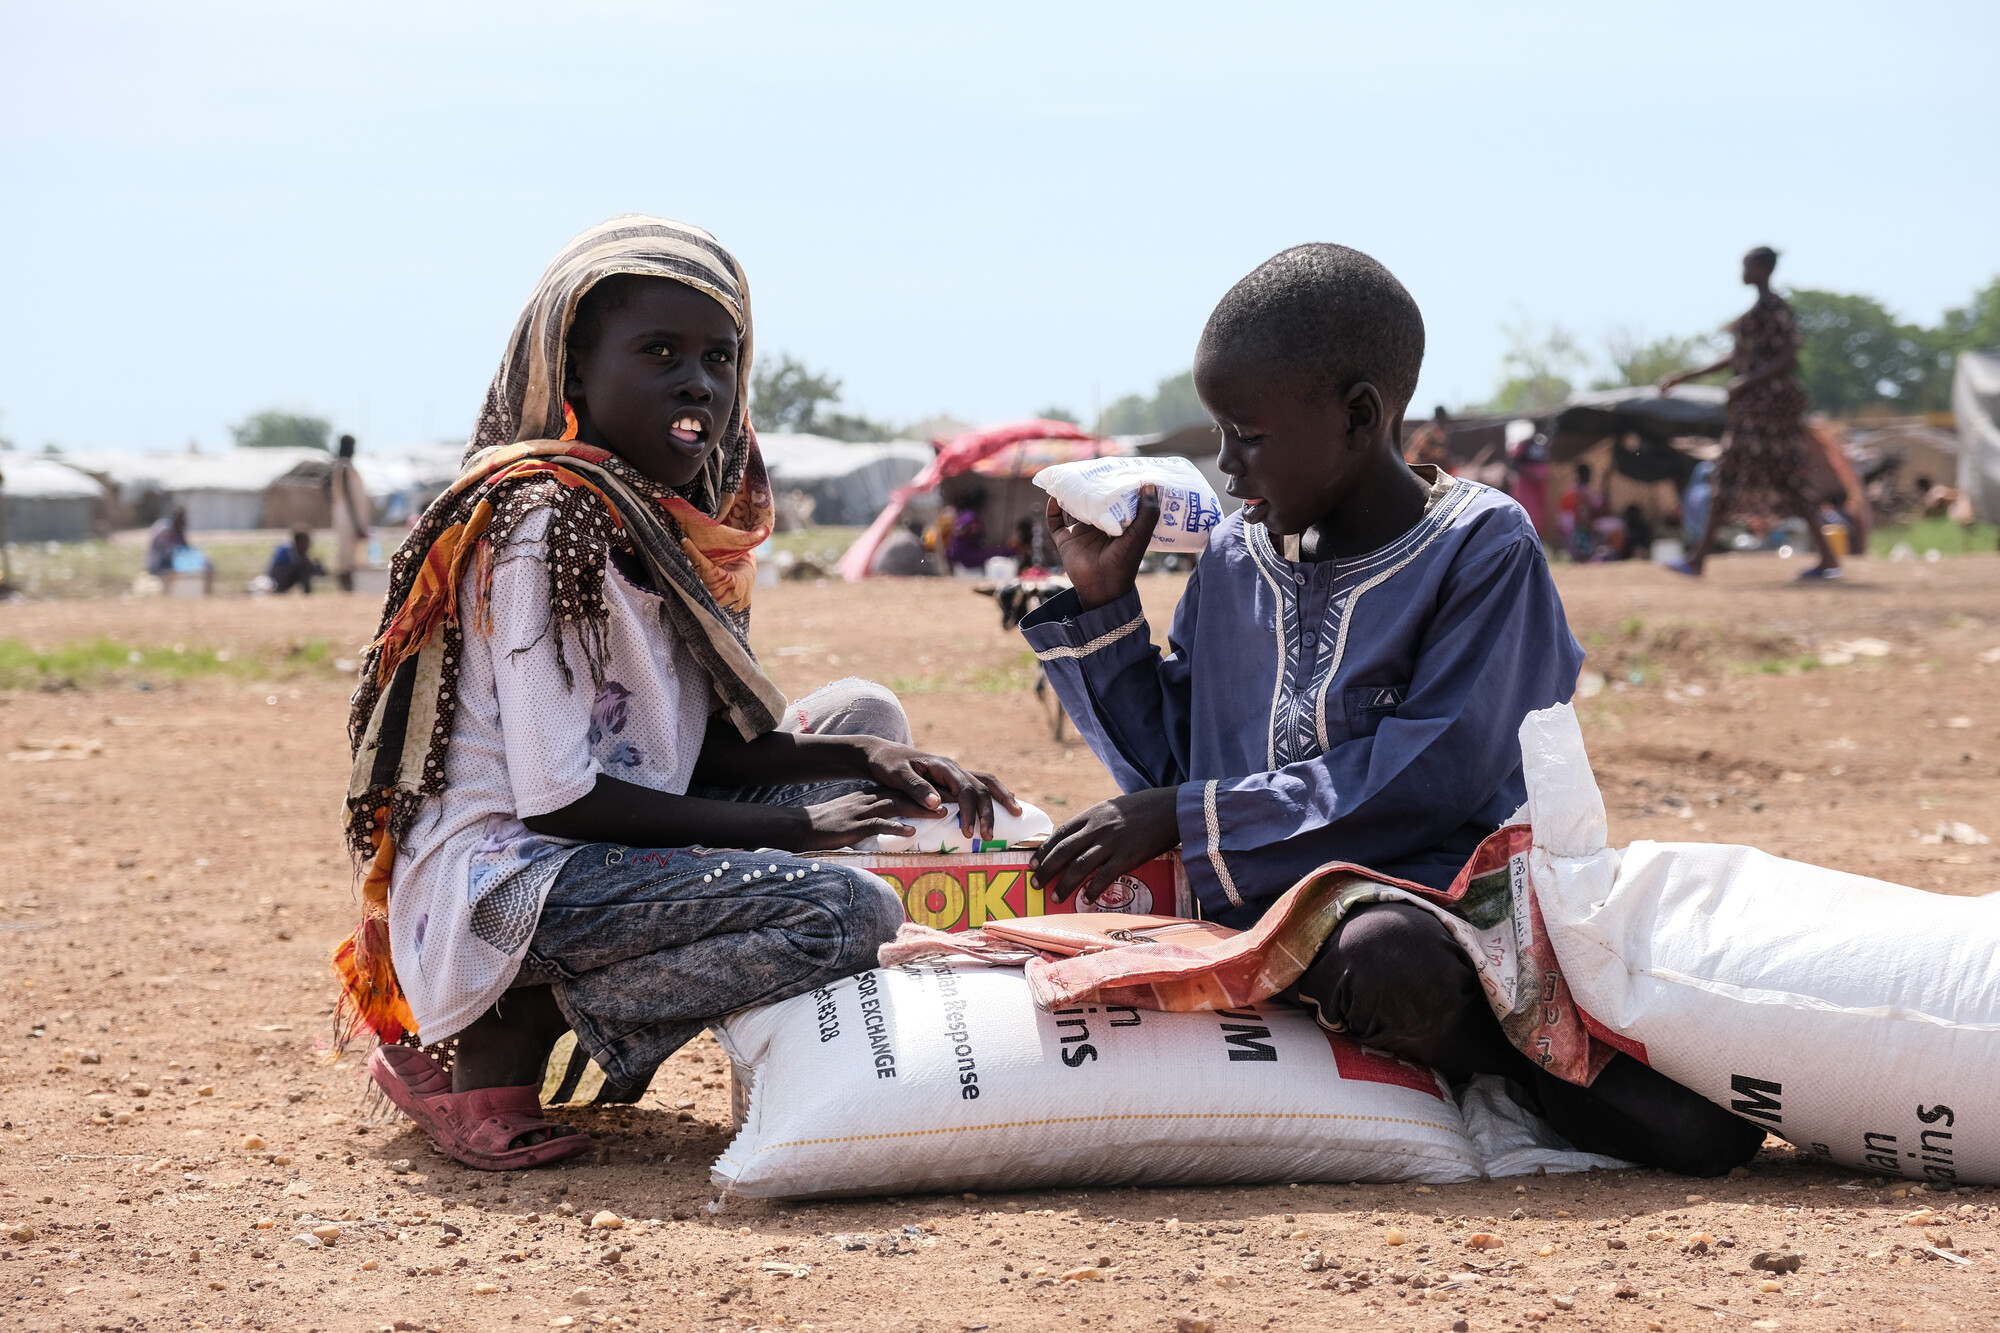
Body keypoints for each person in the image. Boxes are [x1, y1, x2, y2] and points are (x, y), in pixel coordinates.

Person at [1020, 243, 1763, 1176]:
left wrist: (1186, 816)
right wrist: (1103, 607)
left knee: (1384, 959)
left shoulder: (1482, 548)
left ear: (1360, 416)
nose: (1226, 465)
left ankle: (1516, 1065)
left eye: (1246, 434)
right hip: (1263, 902)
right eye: (1219, 434)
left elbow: (1436, 766)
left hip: (1442, 897)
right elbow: (1176, 766)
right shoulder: (1233, 562)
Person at [337, 216, 1017, 1171]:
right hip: (514, 880)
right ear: (573, 375)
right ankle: (507, 1032)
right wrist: (797, 833)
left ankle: (552, 1013)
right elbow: (562, 800)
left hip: (601, 847)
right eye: (659, 352)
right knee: (846, 912)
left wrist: (867, 762)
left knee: (865, 711)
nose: (698, 381)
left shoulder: (671, 522)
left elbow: (688, 752)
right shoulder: (545, 524)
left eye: (720, 356)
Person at [1660, 247, 1840, 580]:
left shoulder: (1776, 309)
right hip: (1756, 412)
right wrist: (1685, 377)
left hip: (1767, 413)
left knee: (1735, 476)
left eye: (1747, 265)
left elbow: (1787, 358)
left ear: (1762, 268)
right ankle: (1827, 559)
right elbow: (1736, 357)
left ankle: (1698, 559)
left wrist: (1745, 383)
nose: (1742, 271)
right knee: (1778, 481)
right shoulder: (1760, 311)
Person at [327, 434, 373, 592]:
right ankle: (346, 589)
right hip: (347, 516)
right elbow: (349, 499)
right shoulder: (344, 466)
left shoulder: (344, 465)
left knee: (352, 554)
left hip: (349, 516)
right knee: (345, 555)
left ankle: (349, 589)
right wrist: (357, 524)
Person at [143, 505, 214, 594]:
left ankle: (204, 592)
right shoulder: (164, 531)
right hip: (158, 564)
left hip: (170, 562)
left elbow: (186, 548)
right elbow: (164, 554)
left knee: (207, 565)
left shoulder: (177, 531)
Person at [1557, 463, 1602, 561]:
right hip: (1573, 524)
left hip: (1568, 523)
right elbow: (1597, 504)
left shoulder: (1571, 489)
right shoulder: (1580, 491)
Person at [266, 529, 324, 593]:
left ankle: (307, 594)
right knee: (305, 568)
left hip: (283, 580)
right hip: (276, 582)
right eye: (306, 542)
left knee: (306, 567)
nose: (308, 545)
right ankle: (307, 594)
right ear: (299, 541)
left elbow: (319, 571)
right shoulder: (288, 549)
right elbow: (302, 564)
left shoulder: (296, 551)